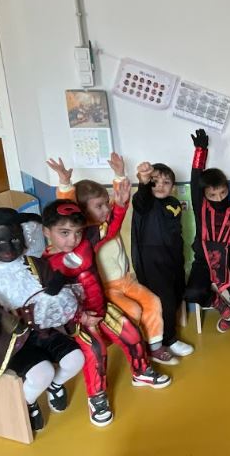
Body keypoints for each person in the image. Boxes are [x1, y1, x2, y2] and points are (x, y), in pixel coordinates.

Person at [42, 200, 172, 426]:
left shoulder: (86, 241)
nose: (72, 239)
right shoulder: (45, 267)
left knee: (131, 333)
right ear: (46, 231)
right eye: (64, 233)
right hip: (78, 321)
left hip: (101, 308)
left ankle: (141, 371)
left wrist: (121, 205)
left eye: (77, 232)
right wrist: (80, 318)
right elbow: (51, 306)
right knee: (95, 351)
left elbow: (109, 228)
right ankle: (97, 397)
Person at [0, 208, 85, 433]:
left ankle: (55, 386)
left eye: (15, 239)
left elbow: (55, 298)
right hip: (11, 342)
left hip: (43, 331)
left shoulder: (36, 265)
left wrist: (56, 293)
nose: (8, 247)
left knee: (76, 359)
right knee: (42, 372)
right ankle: (27, 402)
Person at [46, 154, 176, 364]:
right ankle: (135, 348)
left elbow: (119, 201)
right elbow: (67, 208)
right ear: (82, 210)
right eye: (99, 206)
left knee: (153, 302)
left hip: (127, 280)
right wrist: (64, 183)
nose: (107, 209)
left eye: (107, 204)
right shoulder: (85, 236)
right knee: (133, 311)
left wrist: (119, 174)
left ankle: (155, 346)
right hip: (107, 288)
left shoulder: (107, 223)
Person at [184, 129, 230, 332]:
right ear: (205, 195)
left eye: (223, 193)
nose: (219, 198)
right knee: (192, 293)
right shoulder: (201, 208)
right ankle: (221, 306)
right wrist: (200, 151)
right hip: (204, 260)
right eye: (213, 195)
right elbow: (195, 180)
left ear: (227, 189)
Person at [131, 161, 194, 356]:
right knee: (164, 299)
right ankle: (168, 339)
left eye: (166, 182)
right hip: (151, 260)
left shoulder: (174, 203)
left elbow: (176, 232)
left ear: (173, 187)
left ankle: (163, 335)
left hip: (172, 257)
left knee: (176, 294)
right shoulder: (145, 202)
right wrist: (143, 182)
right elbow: (140, 199)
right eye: (155, 181)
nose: (160, 185)